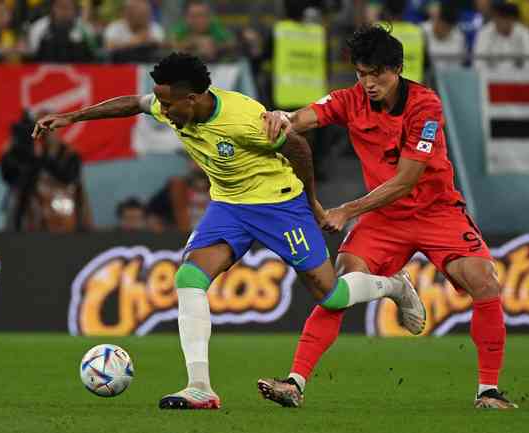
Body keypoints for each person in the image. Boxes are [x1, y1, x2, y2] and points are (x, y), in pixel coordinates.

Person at [32, 52, 425, 410]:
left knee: (332, 295)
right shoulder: (171, 105)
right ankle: (199, 387)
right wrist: (73, 117)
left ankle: (394, 287)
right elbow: (132, 104)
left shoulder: (243, 120)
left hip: (279, 204)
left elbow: (300, 149)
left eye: (168, 104)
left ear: (193, 98)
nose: (162, 111)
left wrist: (312, 203)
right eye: (161, 102)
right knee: (189, 276)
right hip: (229, 206)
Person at [259, 25, 518, 410]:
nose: (368, 83)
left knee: (484, 283)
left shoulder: (425, 106)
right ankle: (294, 384)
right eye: (361, 74)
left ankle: (488, 392)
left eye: (376, 73)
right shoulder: (351, 100)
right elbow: (309, 116)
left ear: (396, 68)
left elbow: (406, 180)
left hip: (437, 212)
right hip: (384, 220)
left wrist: (346, 210)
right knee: (340, 287)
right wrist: (284, 119)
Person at [0, 110, 92, 232]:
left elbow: (69, 177)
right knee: (15, 199)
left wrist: (45, 157)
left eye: (50, 126)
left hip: (65, 218)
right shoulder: (27, 152)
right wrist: (14, 150)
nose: (46, 132)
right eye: (41, 127)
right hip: (31, 221)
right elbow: (10, 177)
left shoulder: (69, 154)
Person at [473, 2, 529, 70]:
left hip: (518, 77)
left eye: (506, 18)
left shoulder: (524, 33)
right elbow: (478, 64)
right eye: (498, 17)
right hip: (490, 77)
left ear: (513, 19)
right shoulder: (484, 33)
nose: (502, 22)